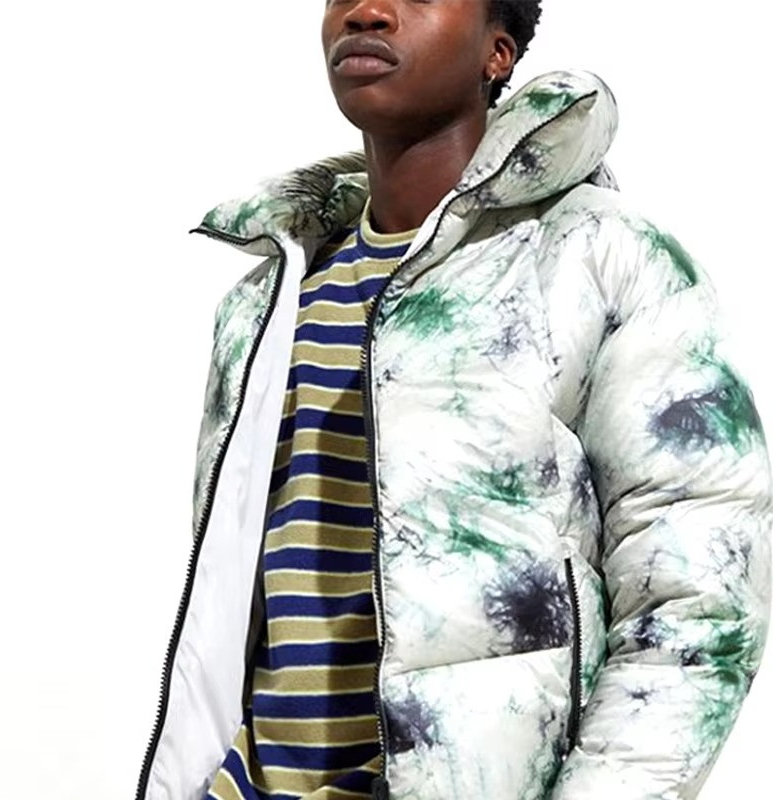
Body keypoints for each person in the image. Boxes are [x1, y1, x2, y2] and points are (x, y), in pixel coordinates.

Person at [136, 1, 772, 798]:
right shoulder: (265, 302)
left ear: (496, 53)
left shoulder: (600, 259)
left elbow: (699, 606)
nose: (366, 11)